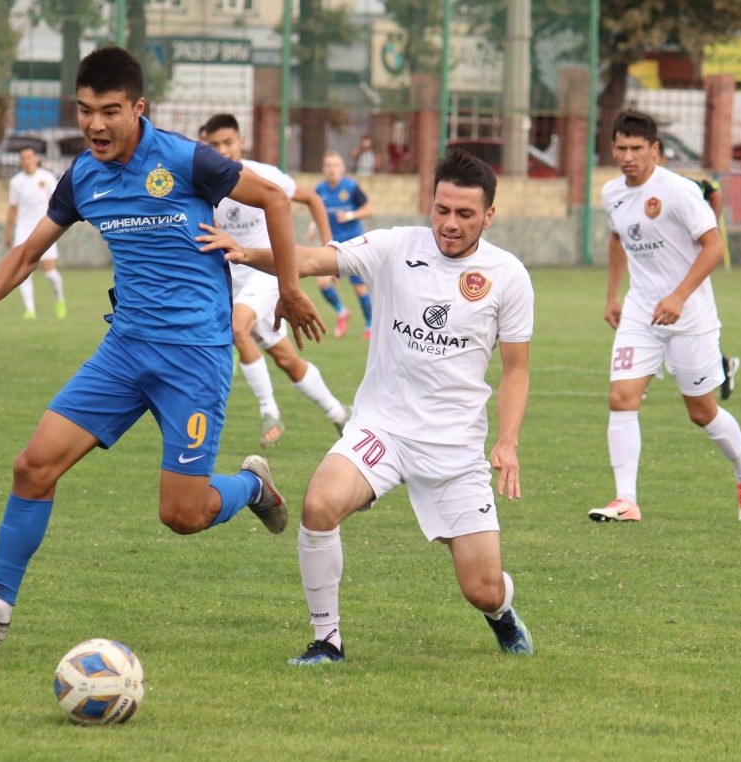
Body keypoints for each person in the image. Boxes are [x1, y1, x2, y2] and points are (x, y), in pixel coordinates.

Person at [0, 47, 325, 651]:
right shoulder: (82, 176)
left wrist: (288, 289)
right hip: (125, 351)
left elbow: (274, 197)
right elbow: (27, 254)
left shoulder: (185, 159)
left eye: (110, 111)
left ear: (138, 108)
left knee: (182, 515)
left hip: (194, 358)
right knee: (33, 466)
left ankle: (252, 487)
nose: (95, 125)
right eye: (85, 111)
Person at [199, 149, 535, 664]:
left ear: (489, 215)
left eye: (465, 214)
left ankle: (502, 613)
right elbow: (312, 259)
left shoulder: (507, 276)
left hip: (454, 447)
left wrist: (507, 441)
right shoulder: (394, 246)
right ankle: (327, 641)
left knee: (482, 589)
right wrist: (244, 252)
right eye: (442, 209)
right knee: (319, 504)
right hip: (383, 428)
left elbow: (516, 369)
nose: (450, 223)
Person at [589, 111, 741, 525]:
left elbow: (713, 247)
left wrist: (679, 297)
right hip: (641, 313)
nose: (628, 156)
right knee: (621, 397)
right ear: (612, 148)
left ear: (654, 149)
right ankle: (626, 500)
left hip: (690, 318)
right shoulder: (613, 192)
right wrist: (613, 295)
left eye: (636, 148)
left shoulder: (679, 191)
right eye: (621, 148)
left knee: (701, 412)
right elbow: (617, 239)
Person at [202, 113, 351, 447]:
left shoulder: (265, 175)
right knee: (286, 359)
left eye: (228, 143)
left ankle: (269, 410)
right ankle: (339, 413)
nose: (222, 151)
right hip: (231, 280)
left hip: (268, 273)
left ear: (241, 142)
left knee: (237, 327)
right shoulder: (203, 183)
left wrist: (329, 249)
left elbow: (312, 199)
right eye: (214, 145)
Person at [654, 140, 741, 400]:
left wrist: (710, 221)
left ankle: (721, 364)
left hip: (687, 266)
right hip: (660, 268)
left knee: (689, 323)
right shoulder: (634, 192)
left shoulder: (683, 186)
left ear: (661, 158)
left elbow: (714, 189)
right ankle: (637, 377)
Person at [311, 150, 375, 340]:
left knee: (360, 289)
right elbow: (318, 211)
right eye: (328, 165)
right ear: (323, 169)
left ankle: (370, 324)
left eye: (336, 165)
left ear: (343, 168)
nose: (332, 169)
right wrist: (313, 226)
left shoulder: (351, 187)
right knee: (323, 283)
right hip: (333, 246)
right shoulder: (319, 190)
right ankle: (342, 312)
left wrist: (350, 215)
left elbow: (369, 210)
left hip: (354, 246)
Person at [4, 146, 67, 319]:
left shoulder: (47, 178)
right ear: (20, 161)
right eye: (23, 158)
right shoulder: (16, 182)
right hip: (23, 229)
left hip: (45, 228)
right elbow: (12, 208)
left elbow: (58, 202)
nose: (27, 161)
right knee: (22, 271)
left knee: (50, 272)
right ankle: (30, 309)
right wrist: (8, 232)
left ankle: (60, 299)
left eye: (29, 157)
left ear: (36, 159)